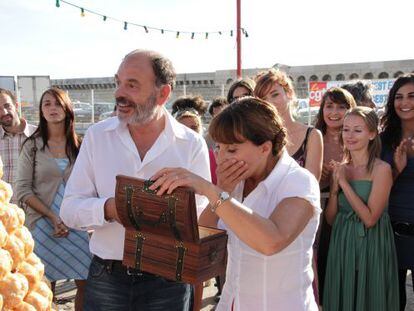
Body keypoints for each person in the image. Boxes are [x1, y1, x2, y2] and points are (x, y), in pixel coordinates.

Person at [60, 49, 211, 311]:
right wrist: (110, 209)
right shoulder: (97, 137)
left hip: (169, 283)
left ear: (163, 93)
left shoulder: (190, 144)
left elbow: (201, 217)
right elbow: (70, 210)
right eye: (118, 82)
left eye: (132, 84)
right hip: (107, 277)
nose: (120, 93)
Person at [149, 97, 321, 310]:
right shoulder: (236, 182)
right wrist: (221, 191)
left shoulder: (299, 181)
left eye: (231, 150)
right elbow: (202, 236)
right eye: (218, 148)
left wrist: (212, 191)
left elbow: (272, 241)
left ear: (265, 148)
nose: (220, 158)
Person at [15, 87, 91, 310]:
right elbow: (22, 190)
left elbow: (91, 186)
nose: (52, 108)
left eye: (57, 103)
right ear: (41, 110)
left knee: (86, 283)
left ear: (67, 109)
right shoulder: (32, 146)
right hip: (42, 225)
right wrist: (52, 217)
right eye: (46, 104)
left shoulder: (81, 146)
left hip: (77, 226)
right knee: (42, 287)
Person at [324, 107, 399, 310]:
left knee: (369, 297)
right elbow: (331, 219)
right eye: (346, 129)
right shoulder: (342, 168)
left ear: (372, 134)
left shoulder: (381, 169)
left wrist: (345, 184)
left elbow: (370, 219)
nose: (349, 135)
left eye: (358, 130)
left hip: (372, 242)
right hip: (342, 241)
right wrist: (334, 189)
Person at [313, 87, 357, 303]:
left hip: (350, 210)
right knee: (320, 263)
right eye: (329, 106)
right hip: (318, 211)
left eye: (341, 107)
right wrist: (318, 174)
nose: (334, 112)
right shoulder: (312, 137)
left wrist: (341, 176)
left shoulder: (357, 139)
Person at [380, 73, 414, 310]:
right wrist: (396, 169)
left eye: (412, 96)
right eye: (399, 97)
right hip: (392, 232)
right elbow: (377, 189)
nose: (405, 102)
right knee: (394, 302)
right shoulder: (383, 141)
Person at [254, 68, 323, 180]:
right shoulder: (257, 138)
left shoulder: (312, 136)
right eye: (263, 99)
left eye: (275, 95)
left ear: (289, 93)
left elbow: (312, 185)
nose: (270, 103)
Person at [0, 88, 36, 204]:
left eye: (7, 106)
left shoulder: (37, 136)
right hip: (4, 216)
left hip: (33, 214)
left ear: (16, 105)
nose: (4, 112)